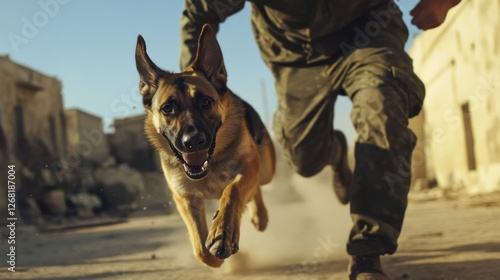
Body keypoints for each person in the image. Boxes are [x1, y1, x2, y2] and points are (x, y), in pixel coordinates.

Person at [179, 0, 461, 279]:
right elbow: (199, 11)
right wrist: (193, 92)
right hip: (295, 53)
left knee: (382, 108)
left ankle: (367, 252)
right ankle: (335, 152)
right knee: (304, 157)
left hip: (369, 28)